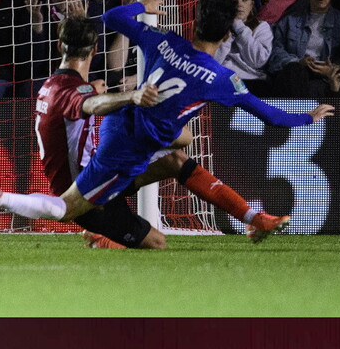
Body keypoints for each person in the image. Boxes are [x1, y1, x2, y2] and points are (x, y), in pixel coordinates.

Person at [0, 0, 334, 243]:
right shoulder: (222, 80)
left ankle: (255, 218)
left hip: (124, 128)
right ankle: (2, 199)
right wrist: (309, 118)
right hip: (124, 153)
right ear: (228, 34)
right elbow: (270, 116)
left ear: (194, 21)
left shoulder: (163, 40)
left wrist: (143, 7)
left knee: (177, 155)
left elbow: (115, 16)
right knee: (71, 209)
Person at [15, 14, 298, 248]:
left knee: (176, 159)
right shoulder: (77, 91)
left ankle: (254, 218)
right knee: (156, 242)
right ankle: (103, 237)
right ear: (95, 49)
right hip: (89, 184)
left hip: (103, 166)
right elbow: (90, 104)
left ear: (58, 45)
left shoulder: (57, 85)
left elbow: (90, 102)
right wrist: (128, 97)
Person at [213, 0, 273, 97]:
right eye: (233, 0)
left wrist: (239, 27)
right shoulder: (215, 27)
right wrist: (227, 36)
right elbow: (212, 62)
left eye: (244, 0)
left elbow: (257, 61)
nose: (239, 4)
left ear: (251, 5)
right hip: (223, 80)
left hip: (253, 81)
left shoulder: (262, 27)